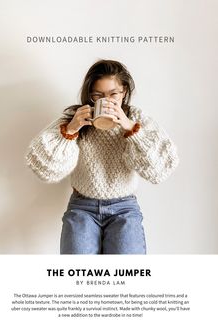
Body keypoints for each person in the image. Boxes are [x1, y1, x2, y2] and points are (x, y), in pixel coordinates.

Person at [25, 59, 179, 255]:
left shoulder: (137, 119)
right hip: (82, 207)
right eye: (98, 95)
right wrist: (71, 130)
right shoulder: (77, 117)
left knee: (126, 277)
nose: (106, 101)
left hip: (125, 208)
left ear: (124, 91)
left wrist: (130, 128)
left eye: (113, 94)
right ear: (89, 94)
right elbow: (44, 169)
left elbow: (160, 171)